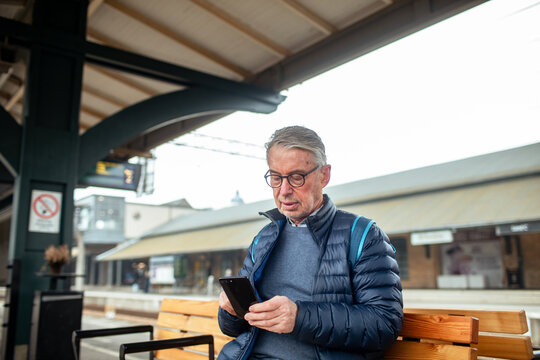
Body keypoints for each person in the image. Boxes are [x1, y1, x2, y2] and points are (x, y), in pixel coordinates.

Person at [218, 126, 403, 359]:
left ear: (324, 175)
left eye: (296, 177)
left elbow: (383, 324)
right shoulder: (265, 238)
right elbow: (232, 329)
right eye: (276, 178)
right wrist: (231, 311)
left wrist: (299, 317)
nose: (284, 191)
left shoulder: (364, 235)